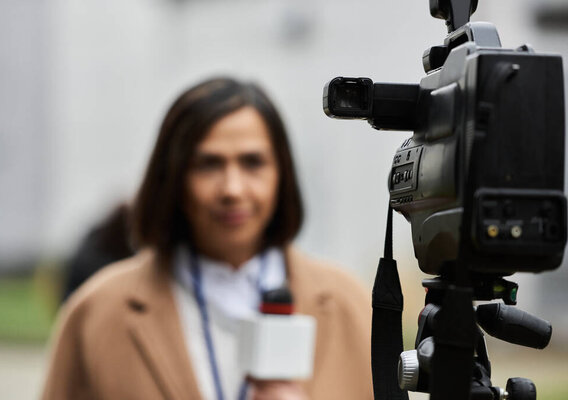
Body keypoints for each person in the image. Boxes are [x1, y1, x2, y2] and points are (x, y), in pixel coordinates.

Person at [41, 77, 373, 400]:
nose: (232, 189)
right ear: (173, 178)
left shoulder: (349, 305)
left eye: (252, 162)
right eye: (208, 164)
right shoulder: (97, 312)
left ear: (281, 174)